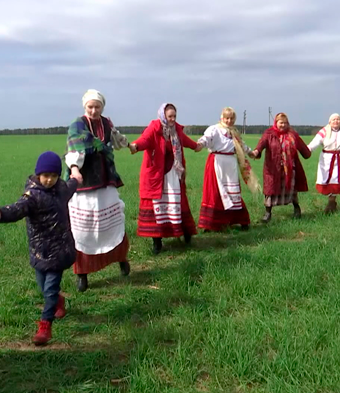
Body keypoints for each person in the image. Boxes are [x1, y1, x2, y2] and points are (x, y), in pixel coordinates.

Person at [0, 151, 79, 345]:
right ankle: (59, 301)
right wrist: (0, 214)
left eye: (54, 176)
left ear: (58, 176)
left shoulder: (62, 189)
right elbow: (17, 209)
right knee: (44, 288)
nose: (49, 180)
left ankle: (45, 326)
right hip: (40, 251)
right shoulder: (32, 196)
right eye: (45, 175)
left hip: (59, 251)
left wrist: (76, 178)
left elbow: (72, 186)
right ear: (38, 175)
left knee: (49, 290)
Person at [63, 89, 131, 292]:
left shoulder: (107, 123)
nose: (93, 110)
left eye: (97, 107)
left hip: (106, 179)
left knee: (113, 221)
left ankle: (121, 259)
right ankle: (82, 273)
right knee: (83, 227)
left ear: (102, 107)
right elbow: (73, 150)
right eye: (90, 107)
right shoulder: (77, 125)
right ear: (85, 107)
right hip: (84, 183)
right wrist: (74, 169)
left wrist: (130, 145)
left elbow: (117, 139)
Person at [129, 103, 202, 254]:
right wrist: (136, 146)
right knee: (157, 206)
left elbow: (186, 141)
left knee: (177, 203)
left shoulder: (177, 131)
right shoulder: (154, 128)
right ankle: (157, 241)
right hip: (156, 175)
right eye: (170, 116)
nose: (173, 119)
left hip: (174, 173)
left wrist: (196, 146)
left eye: (175, 116)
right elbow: (145, 140)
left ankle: (186, 234)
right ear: (163, 115)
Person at [196, 107, 259, 231]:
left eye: (231, 118)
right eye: (227, 118)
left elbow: (242, 146)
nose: (229, 121)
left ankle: (239, 220)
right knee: (215, 191)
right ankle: (210, 223)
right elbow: (206, 139)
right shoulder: (214, 129)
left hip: (230, 164)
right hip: (217, 162)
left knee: (232, 191)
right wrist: (199, 144)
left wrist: (251, 153)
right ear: (222, 118)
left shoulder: (234, 132)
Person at [251, 112, 311, 221]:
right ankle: (268, 213)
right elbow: (261, 144)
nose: (283, 125)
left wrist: (307, 153)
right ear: (276, 122)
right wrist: (256, 151)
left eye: (285, 123)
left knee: (291, 189)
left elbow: (303, 147)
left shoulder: (293, 135)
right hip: (273, 169)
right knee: (270, 190)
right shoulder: (269, 134)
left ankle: (296, 209)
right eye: (281, 123)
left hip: (290, 169)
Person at [306, 113, 340, 213]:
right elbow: (314, 143)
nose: (336, 121)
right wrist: (307, 150)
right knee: (326, 179)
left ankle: (331, 202)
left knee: (338, 180)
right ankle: (332, 202)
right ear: (330, 122)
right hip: (327, 159)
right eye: (334, 120)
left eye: (338, 119)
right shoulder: (324, 131)